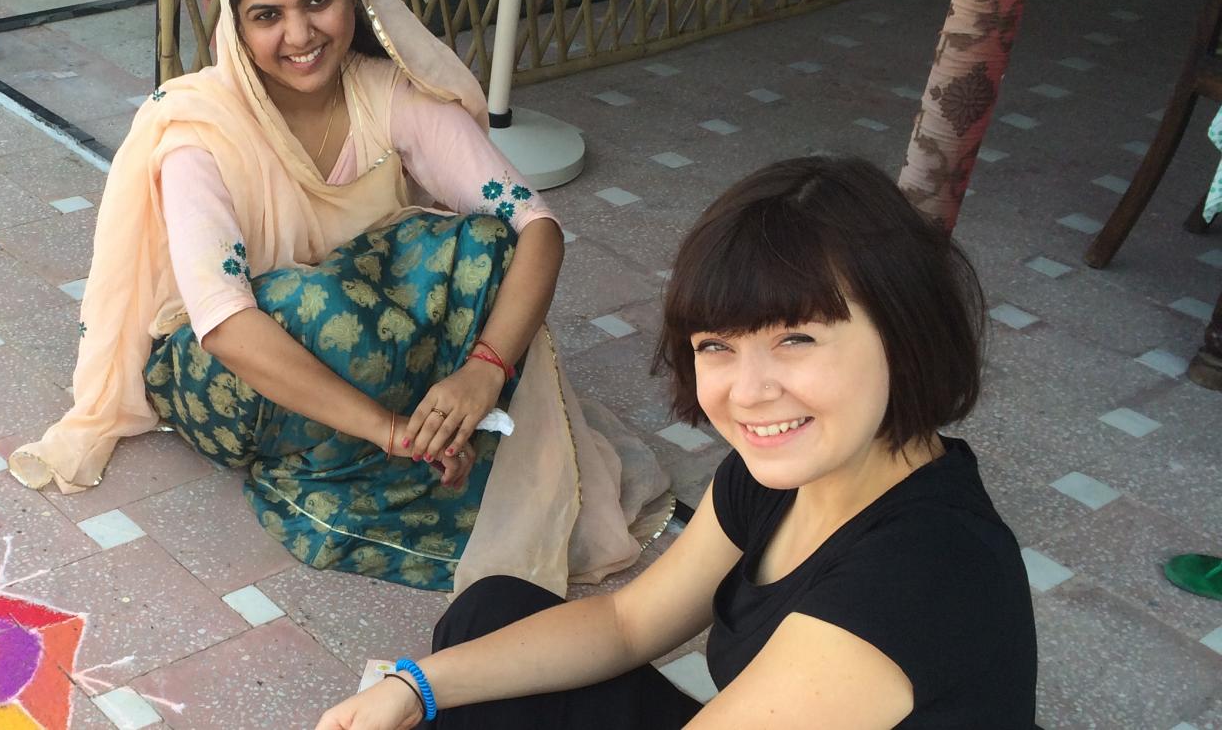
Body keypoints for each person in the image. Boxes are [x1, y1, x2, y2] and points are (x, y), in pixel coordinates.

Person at [5, 0, 673, 593]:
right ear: (232, 18)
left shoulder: (386, 95)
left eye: (319, 0)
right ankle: (351, 461)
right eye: (267, 15)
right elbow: (226, 324)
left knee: (485, 245)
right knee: (317, 300)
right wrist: (390, 431)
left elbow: (537, 227)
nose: (300, 36)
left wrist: (483, 369)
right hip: (217, 373)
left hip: (356, 330)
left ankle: (425, 420)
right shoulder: (197, 129)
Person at [317, 156, 1038, 728]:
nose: (749, 391)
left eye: (796, 338)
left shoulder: (922, 575)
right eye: (717, 345)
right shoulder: (781, 476)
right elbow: (627, 623)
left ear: (903, 333)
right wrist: (413, 686)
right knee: (491, 615)